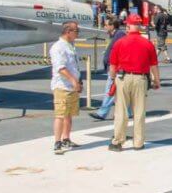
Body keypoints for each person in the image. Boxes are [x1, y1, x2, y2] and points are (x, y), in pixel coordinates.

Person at [108, 14, 161, 152]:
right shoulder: (147, 43)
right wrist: (157, 81)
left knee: (121, 111)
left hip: (123, 78)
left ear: (128, 25)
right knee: (139, 111)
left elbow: (112, 66)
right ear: (140, 26)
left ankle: (118, 141)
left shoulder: (120, 42)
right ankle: (138, 143)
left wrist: (113, 79)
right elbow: (154, 65)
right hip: (141, 79)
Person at [49, 21, 83, 155]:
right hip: (62, 86)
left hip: (72, 85)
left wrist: (78, 81)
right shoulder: (58, 47)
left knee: (69, 114)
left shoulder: (71, 46)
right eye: (76, 31)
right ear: (68, 32)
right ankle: (57, 142)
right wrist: (73, 80)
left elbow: (74, 65)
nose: (77, 33)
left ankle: (66, 138)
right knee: (60, 114)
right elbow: (60, 68)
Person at [89, 17, 130, 121]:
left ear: (112, 26)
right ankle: (128, 112)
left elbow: (120, 52)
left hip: (115, 69)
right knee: (119, 92)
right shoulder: (114, 35)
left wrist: (114, 68)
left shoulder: (119, 35)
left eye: (106, 25)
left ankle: (102, 113)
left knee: (110, 91)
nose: (105, 27)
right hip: (113, 68)